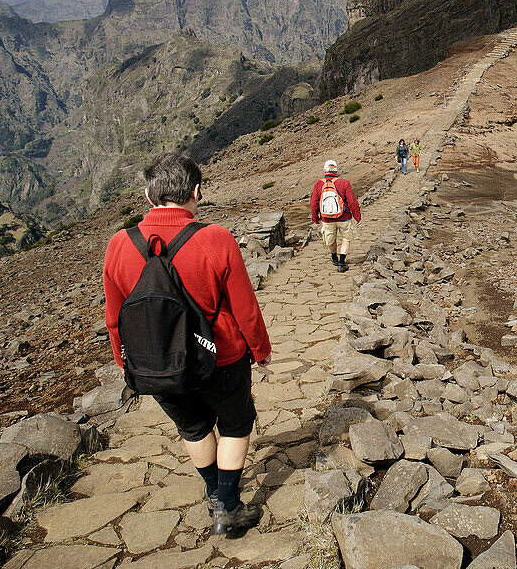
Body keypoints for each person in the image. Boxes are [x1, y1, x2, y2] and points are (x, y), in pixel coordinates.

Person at [103, 153, 271, 536]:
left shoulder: (118, 245)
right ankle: (227, 508)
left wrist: (124, 361)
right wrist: (259, 349)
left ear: (148, 195)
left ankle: (213, 492)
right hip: (221, 354)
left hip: (156, 362)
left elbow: (115, 317)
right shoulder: (215, 238)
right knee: (234, 424)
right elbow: (243, 306)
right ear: (196, 191)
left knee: (193, 428)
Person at [310, 159, 361, 272]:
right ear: (336, 170)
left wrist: (315, 218)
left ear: (325, 170)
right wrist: (357, 217)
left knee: (331, 239)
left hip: (327, 219)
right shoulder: (344, 183)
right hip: (344, 217)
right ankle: (342, 262)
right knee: (346, 238)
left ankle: (334, 257)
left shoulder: (318, 184)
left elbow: (313, 203)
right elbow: (352, 201)